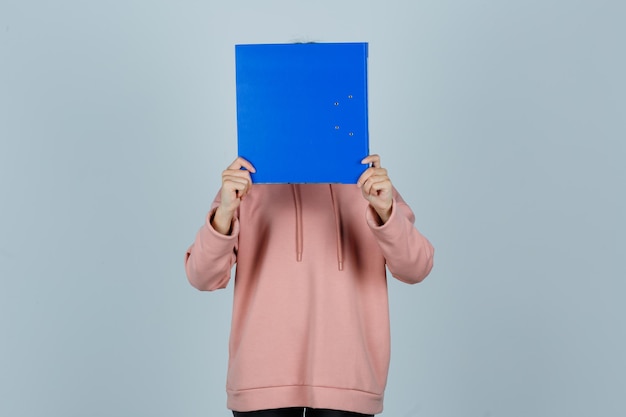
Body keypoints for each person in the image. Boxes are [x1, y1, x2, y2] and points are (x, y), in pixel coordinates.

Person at [184, 154, 434, 417]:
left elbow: (416, 268)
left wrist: (386, 211)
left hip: (347, 376)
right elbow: (202, 276)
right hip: (262, 378)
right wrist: (224, 212)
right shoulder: (249, 180)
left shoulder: (365, 182)